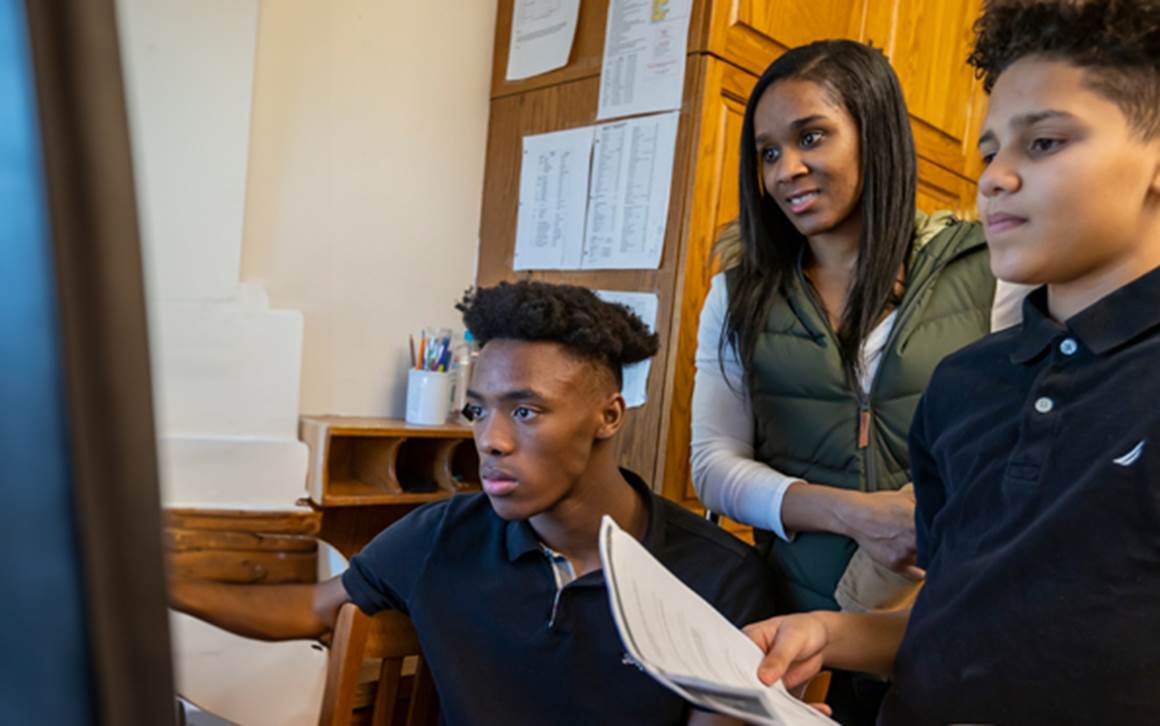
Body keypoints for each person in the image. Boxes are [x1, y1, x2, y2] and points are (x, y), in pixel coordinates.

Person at [743, 1, 1160, 722]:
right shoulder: (965, 386)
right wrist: (833, 633)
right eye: (990, 151)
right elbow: (961, 618)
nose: (995, 177)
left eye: (1045, 143)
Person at [173, 280, 779, 726]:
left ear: (608, 416)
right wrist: (160, 586)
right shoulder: (443, 535)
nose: (491, 439)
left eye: (525, 410)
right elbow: (312, 606)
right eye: (477, 410)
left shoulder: (717, 579)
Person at [690, 38, 1025, 723]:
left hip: (944, 616)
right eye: (768, 152)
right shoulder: (738, 294)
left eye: (811, 137)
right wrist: (853, 513)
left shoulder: (991, 266)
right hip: (791, 618)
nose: (787, 169)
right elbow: (713, 466)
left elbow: (1017, 442)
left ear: (876, 134)